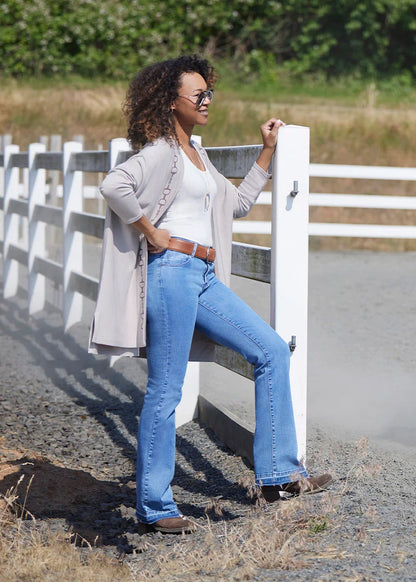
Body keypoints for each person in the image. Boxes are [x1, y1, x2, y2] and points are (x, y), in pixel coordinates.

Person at [89, 55, 332, 534]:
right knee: (166, 390)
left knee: (269, 350)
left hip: (201, 276)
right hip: (171, 272)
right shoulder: (160, 151)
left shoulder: (198, 154)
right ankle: (155, 507)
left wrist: (266, 152)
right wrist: (150, 232)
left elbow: (236, 204)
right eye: (197, 94)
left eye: (208, 93)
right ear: (169, 101)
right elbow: (114, 184)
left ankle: (278, 476)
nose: (206, 101)